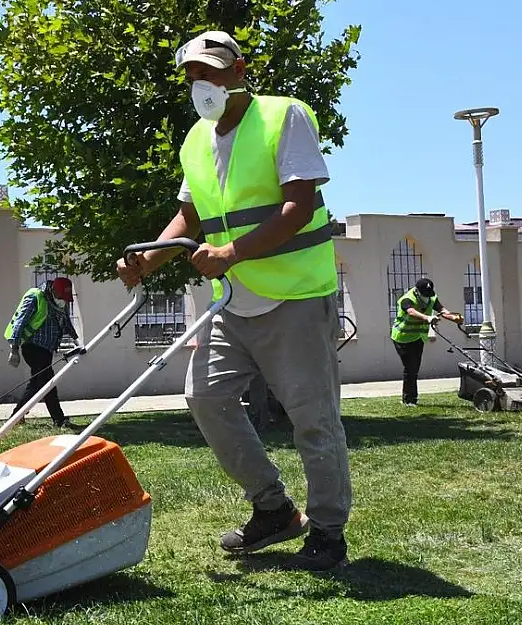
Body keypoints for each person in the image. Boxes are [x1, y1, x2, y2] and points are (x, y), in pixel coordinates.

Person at [115, 30, 351, 571]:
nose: (203, 83)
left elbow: (298, 206)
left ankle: (328, 531)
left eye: (213, 71)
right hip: (233, 302)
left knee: (313, 419)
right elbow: (190, 216)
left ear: (238, 70)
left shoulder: (283, 116)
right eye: (194, 74)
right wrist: (149, 258)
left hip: (294, 294)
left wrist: (232, 253)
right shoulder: (195, 140)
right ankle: (273, 509)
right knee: (204, 397)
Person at [4, 277, 80, 428]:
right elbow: (21, 321)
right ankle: (57, 419)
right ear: (53, 291)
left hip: (47, 349)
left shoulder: (61, 302)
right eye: (61, 297)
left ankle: (17, 417)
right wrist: (14, 349)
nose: (63, 301)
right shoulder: (36, 296)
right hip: (32, 347)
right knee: (45, 382)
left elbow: (66, 322)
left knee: (40, 383)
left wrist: (77, 340)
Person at [390, 277, 464, 406]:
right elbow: (411, 312)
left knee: (415, 367)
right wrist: (427, 318)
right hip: (402, 337)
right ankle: (408, 400)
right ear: (417, 291)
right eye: (424, 294)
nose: (427, 297)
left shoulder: (431, 297)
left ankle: (411, 398)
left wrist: (454, 317)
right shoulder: (407, 299)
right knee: (410, 367)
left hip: (418, 337)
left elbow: (441, 310)